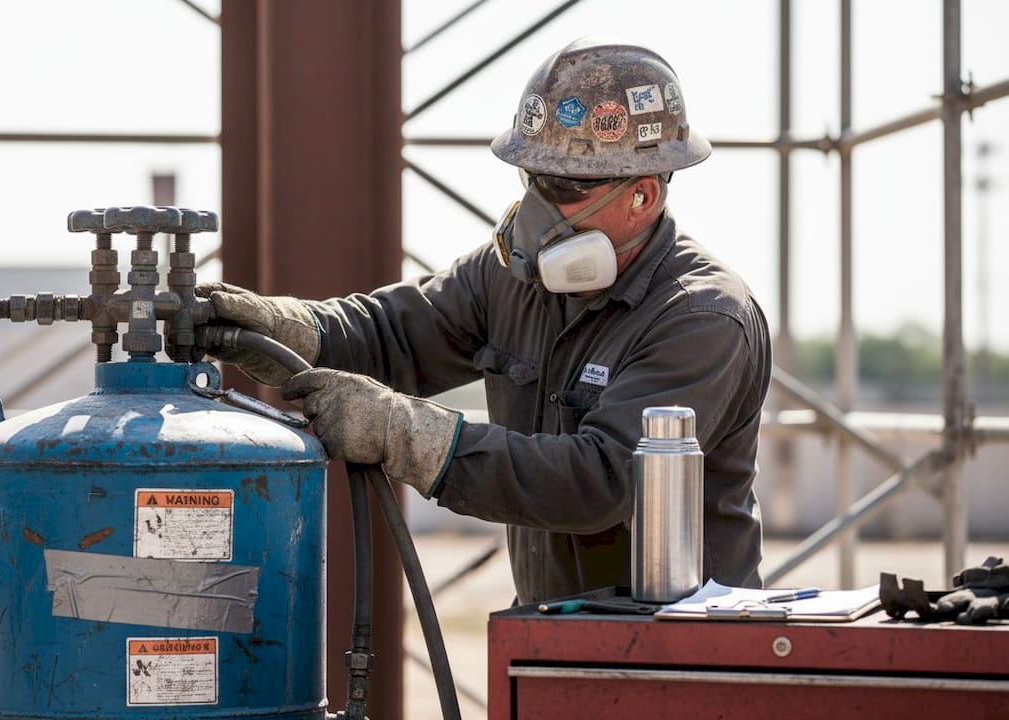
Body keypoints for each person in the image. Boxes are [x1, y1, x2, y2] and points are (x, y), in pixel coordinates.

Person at [198, 38, 771, 604]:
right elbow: (392, 333)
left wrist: (405, 435)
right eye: (532, 178)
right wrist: (272, 324)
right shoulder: (514, 279)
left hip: (683, 659)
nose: (538, 207)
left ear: (643, 196)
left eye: (565, 186)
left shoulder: (701, 317)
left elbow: (601, 480)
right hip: (552, 638)